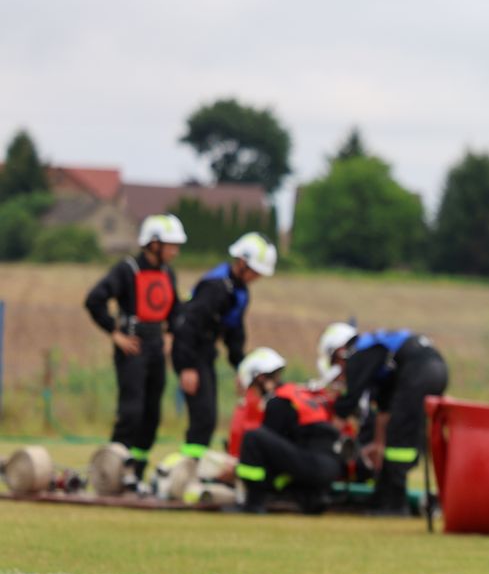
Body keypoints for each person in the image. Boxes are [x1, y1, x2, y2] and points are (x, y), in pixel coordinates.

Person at [83, 214, 186, 486]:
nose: (175, 251)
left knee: (151, 414)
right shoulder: (126, 270)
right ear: (154, 244)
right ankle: (113, 472)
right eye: (172, 245)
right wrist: (115, 333)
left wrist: (170, 335)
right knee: (131, 412)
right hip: (133, 348)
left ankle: (136, 473)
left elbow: (175, 309)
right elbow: (94, 300)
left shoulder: (168, 273)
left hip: (156, 348)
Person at [319, 323, 450, 516]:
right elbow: (384, 409)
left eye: (336, 362)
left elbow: (349, 400)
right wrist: (379, 444)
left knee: (399, 440)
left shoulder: (359, 354)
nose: (340, 369)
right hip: (435, 370)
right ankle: (384, 499)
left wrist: (327, 439)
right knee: (397, 434)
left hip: (419, 374)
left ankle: (395, 505)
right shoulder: (378, 354)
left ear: (340, 351)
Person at [171, 232, 276, 459]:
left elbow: (234, 334)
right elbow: (187, 326)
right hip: (192, 354)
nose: (257, 277)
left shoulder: (239, 291)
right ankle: (186, 467)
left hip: (205, 354)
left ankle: (193, 463)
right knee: (203, 417)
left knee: (207, 417)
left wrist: (243, 369)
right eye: (256, 271)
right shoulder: (215, 287)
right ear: (242, 263)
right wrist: (187, 367)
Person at [230, 348, 343, 515]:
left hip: (313, 464)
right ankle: (311, 496)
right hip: (330, 464)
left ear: (260, 378)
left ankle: (253, 503)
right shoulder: (297, 393)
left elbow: (268, 450)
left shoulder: (278, 402)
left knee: (253, 437)